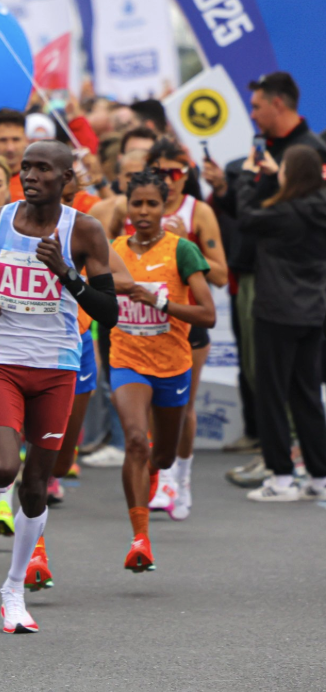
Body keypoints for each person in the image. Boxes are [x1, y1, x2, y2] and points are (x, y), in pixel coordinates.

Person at [0, 140, 122, 633]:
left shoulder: (83, 230)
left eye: (43, 168)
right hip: (2, 360)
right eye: (26, 167)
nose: (31, 175)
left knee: (37, 487)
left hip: (57, 367)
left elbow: (110, 312)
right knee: (1, 469)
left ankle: (14, 588)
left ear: (66, 177)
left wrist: (66, 274)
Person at [106, 169, 215, 569]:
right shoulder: (113, 248)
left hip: (172, 366)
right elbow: (86, 298)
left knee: (163, 457)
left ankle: (156, 472)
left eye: (153, 203)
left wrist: (160, 303)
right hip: (127, 361)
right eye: (137, 203)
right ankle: (140, 539)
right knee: (136, 439)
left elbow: (208, 314)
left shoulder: (181, 250)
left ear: (165, 205)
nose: (145, 211)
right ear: (127, 206)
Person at [236, 143, 326, 501]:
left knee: (272, 395)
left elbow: (246, 216)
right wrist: (275, 177)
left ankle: (282, 478)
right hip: (313, 312)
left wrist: (248, 175)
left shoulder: (284, 213)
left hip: (276, 312)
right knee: (306, 394)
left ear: (292, 173)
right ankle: (319, 478)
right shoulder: (319, 209)